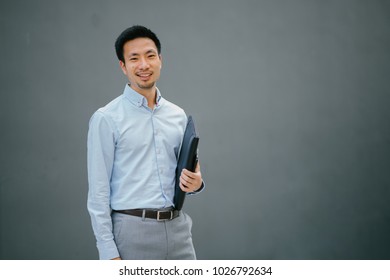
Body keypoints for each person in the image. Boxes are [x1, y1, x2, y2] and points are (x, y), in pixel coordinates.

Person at [87, 25, 204, 260]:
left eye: (150, 56)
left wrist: (196, 184)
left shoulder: (177, 115)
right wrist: (108, 253)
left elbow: (182, 172)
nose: (144, 65)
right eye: (134, 58)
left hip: (178, 230)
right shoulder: (106, 118)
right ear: (123, 66)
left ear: (160, 59)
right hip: (131, 234)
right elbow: (98, 194)